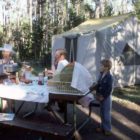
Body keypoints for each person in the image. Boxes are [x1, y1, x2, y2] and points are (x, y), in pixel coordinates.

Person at [90, 59, 114, 136]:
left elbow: (109, 89)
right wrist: (93, 87)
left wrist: (103, 97)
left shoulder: (109, 77)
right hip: (100, 96)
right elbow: (98, 84)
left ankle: (108, 130)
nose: (100, 67)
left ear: (106, 67)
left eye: (101, 65)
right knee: (102, 113)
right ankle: (102, 127)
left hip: (106, 98)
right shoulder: (101, 74)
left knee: (106, 114)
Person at [0, 44, 17, 112]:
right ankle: (3, 112)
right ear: (3, 52)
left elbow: (11, 73)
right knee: (4, 96)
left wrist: (13, 77)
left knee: (14, 90)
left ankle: (13, 108)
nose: (7, 53)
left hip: (7, 81)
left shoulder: (11, 62)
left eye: (8, 52)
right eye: (5, 52)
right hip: (1, 81)